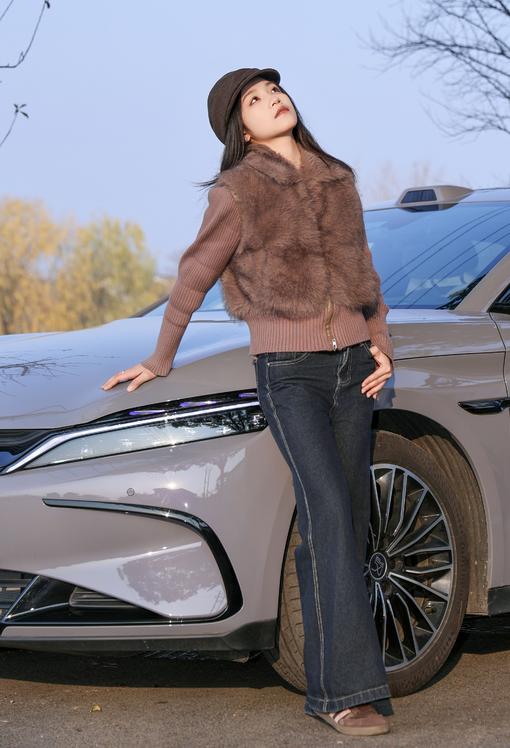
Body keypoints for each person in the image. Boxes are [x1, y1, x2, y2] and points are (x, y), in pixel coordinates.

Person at [103, 67, 395, 737]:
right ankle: (347, 693)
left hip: (354, 369)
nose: (273, 100)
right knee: (328, 513)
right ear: (242, 130)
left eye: (275, 90)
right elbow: (194, 274)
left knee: (346, 523)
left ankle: (328, 679)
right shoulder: (238, 190)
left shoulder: (338, 180)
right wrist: (161, 357)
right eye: (255, 100)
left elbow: (364, 271)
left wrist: (380, 342)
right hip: (290, 375)